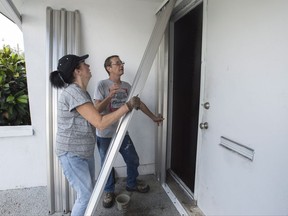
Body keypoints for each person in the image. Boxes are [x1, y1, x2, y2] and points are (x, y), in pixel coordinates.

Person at [49, 54, 140, 216]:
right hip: (72, 153)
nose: (88, 66)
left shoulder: (81, 92)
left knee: (88, 192)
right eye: (84, 64)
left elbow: (93, 113)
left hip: (83, 152)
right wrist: (127, 107)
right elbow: (100, 122)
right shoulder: (73, 93)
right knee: (85, 196)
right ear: (77, 71)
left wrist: (111, 97)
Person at [93, 55, 164, 208]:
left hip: (122, 133)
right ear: (108, 68)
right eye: (117, 63)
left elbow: (137, 103)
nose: (121, 65)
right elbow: (96, 110)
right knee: (106, 164)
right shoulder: (101, 85)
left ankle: (131, 183)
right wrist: (110, 95)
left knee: (133, 159)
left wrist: (153, 117)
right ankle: (109, 190)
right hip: (105, 134)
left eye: (121, 63)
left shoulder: (127, 85)